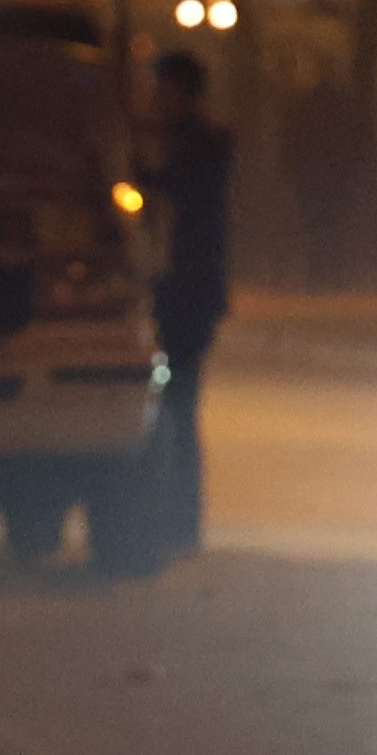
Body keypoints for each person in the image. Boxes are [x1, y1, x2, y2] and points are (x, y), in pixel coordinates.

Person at [141, 48, 232, 550]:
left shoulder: (201, 146)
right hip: (182, 293)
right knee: (175, 405)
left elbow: (177, 192)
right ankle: (178, 519)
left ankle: (181, 520)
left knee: (177, 405)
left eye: (162, 88)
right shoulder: (187, 144)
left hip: (188, 296)